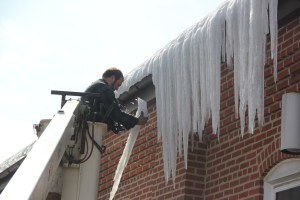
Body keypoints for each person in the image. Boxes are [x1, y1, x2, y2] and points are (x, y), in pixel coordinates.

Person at [83, 67, 148, 133]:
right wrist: (136, 121)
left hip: (86, 125)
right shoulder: (105, 89)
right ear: (112, 78)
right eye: (118, 85)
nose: (116, 89)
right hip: (90, 127)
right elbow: (115, 113)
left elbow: (108, 111)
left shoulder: (97, 86)